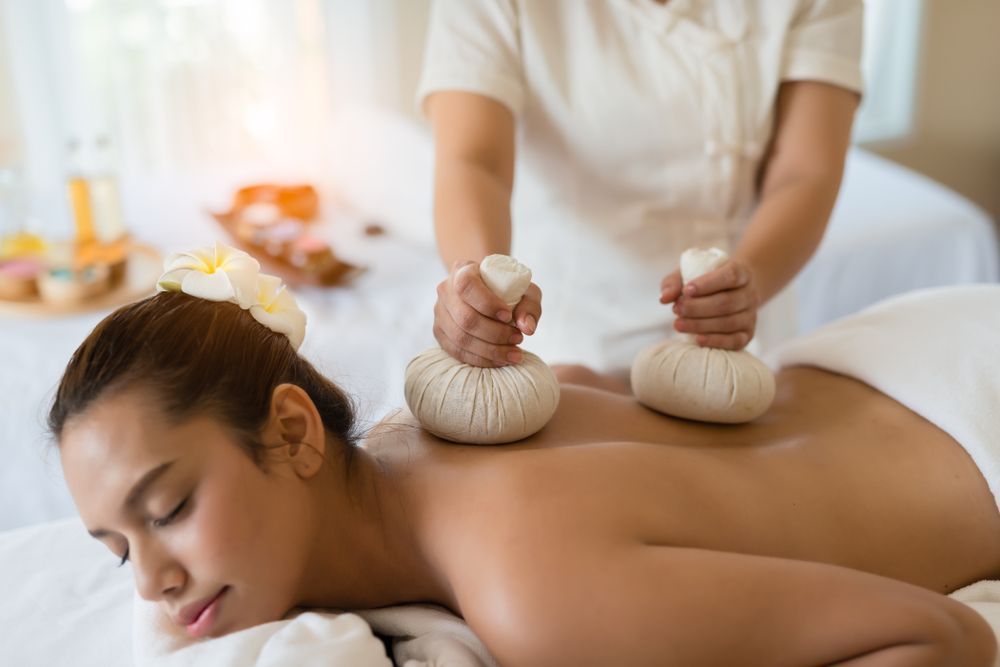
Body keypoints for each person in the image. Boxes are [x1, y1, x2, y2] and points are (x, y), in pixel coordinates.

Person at [51, 263, 1000, 665]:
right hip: (899, 347)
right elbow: (598, 387)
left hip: (971, 425)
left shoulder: (533, 593)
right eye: (115, 550)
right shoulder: (416, 425)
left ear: (295, 431)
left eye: (169, 506)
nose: (155, 585)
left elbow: (942, 637)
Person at [419, 0, 863, 377]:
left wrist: (748, 285)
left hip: (743, 334)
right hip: (564, 342)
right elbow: (476, 161)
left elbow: (806, 171)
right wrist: (479, 289)